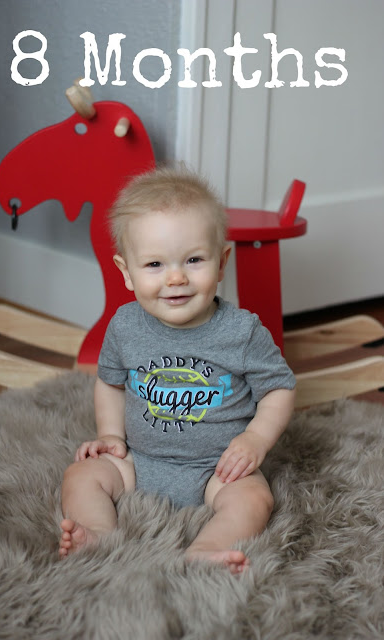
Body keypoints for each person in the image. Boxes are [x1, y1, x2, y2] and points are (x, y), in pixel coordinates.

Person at [59, 166, 296, 573]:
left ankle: (205, 551)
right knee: (80, 476)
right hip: (139, 460)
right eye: (154, 264)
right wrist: (110, 436)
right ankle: (98, 535)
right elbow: (111, 384)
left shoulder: (241, 332)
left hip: (217, 469)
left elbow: (279, 388)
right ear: (126, 272)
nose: (175, 278)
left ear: (221, 263)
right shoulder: (125, 326)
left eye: (193, 260)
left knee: (255, 500)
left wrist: (255, 440)